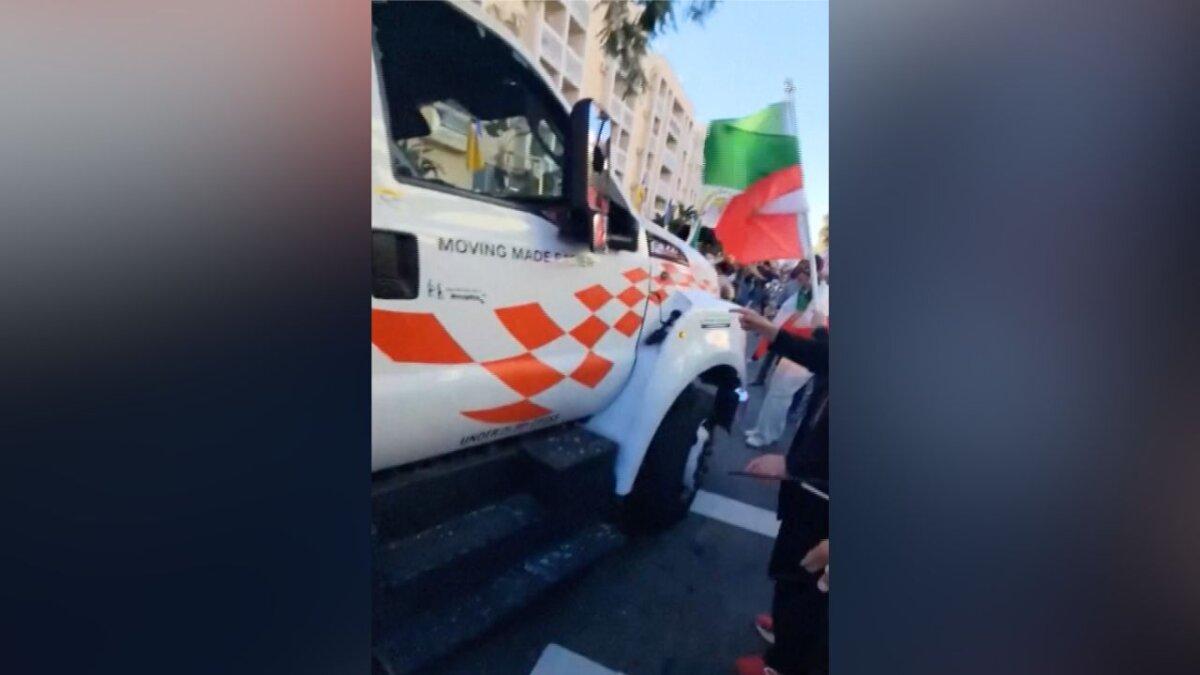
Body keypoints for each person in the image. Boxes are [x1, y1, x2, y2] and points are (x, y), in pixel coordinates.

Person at [731, 307, 829, 675]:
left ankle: (784, 663)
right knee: (793, 577)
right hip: (810, 492)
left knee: (811, 592)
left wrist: (792, 466)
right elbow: (825, 357)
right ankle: (787, 632)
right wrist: (774, 331)